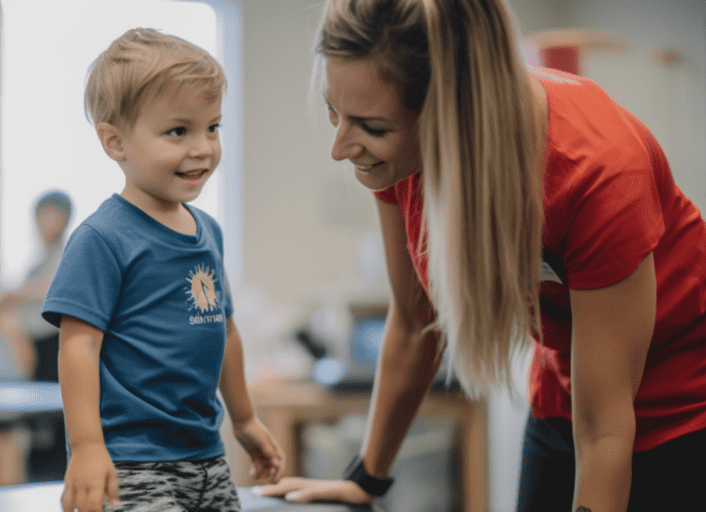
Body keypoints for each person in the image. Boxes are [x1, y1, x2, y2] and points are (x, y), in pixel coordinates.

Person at [254, 0, 706, 511]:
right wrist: (366, 479)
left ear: (454, 114)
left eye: (372, 128)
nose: (340, 147)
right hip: (566, 389)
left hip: (684, 403)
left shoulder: (597, 171)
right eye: (336, 113)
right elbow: (414, 321)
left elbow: (606, 430)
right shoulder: (402, 160)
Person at [41, 28, 286, 512]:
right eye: (178, 131)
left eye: (212, 128)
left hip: (206, 455)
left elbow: (225, 331)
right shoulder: (102, 238)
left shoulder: (208, 231)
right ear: (115, 142)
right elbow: (78, 345)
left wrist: (244, 420)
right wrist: (88, 447)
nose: (202, 148)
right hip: (133, 461)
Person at [0, 190, 72, 481]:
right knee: (40, 429)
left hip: (58, 347)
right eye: (42, 216)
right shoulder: (36, 264)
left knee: (59, 426)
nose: (47, 223)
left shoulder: (69, 254)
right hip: (38, 351)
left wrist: (15, 294)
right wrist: (16, 335)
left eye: (53, 216)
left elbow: (57, 289)